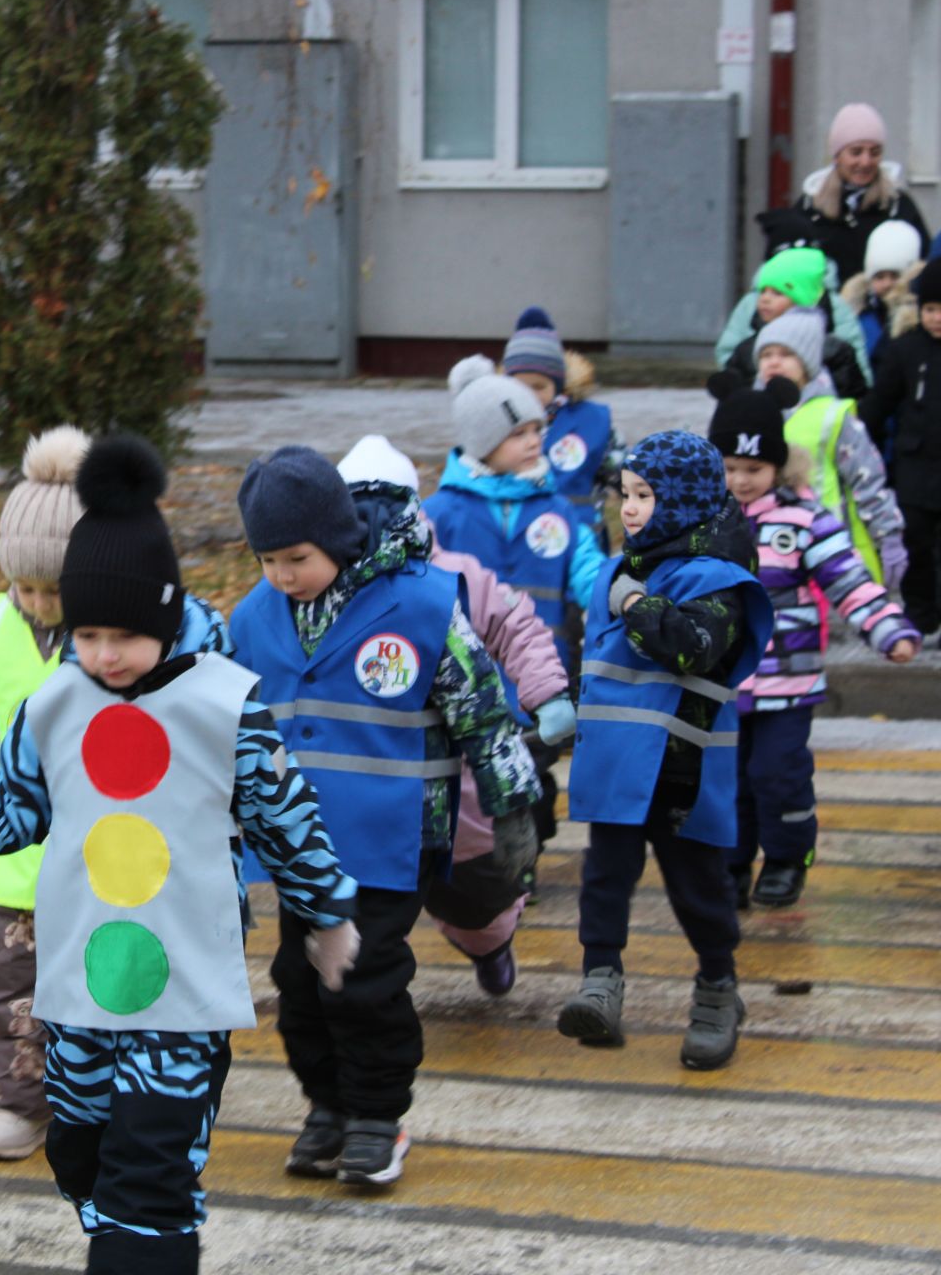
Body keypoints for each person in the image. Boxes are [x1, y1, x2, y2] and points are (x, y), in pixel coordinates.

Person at [0, 435, 361, 1275]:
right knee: (80, 1156)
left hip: (185, 991)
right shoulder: (54, 704)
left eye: (125, 634)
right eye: (88, 633)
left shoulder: (225, 706)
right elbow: (9, 811)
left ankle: (141, 1244)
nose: (106, 654)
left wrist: (327, 915)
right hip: (79, 987)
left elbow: (287, 818)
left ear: (163, 618)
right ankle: (118, 1225)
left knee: (149, 1187)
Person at [230, 445, 542, 1188]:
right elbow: (225, 721)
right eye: (267, 559)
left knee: (365, 979)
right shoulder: (254, 615)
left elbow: (484, 713)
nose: (281, 576)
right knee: (299, 984)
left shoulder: (424, 603)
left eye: (296, 558)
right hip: (298, 846)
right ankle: (328, 1108)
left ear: (337, 540)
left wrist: (512, 808)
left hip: (391, 839)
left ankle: (377, 1117)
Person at [559, 432, 774, 1072]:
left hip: (683, 770)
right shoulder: (622, 567)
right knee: (603, 877)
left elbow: (689, 647)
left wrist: (633, 602)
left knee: (699, 888)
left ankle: (717, 988)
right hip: (617, 764)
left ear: (681, 501)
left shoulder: (718, 579)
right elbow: (599, 661)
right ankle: (600, 979)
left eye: (645, 496)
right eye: (625, 493)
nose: (628, 508)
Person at [336, 436, 571, 996]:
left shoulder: (455, 575)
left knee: (476, 899)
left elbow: (515, 623)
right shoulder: (325, 584)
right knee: (362, 910)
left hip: (456, 783)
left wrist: (547, 694)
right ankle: (361, 993)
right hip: (361, 781)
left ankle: (490, 942)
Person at [708, 377, 919, 909]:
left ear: (778, 465)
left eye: (753, 470)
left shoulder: (803, 520)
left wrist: (887, 628)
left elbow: (847, 580)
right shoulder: (701, 524)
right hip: (721, 684)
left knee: (777, 774)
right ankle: (730, 864)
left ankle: (785, 858)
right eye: (729, 469)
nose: (740, 481)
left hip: (787, 679)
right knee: (725, 778)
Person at [0, 425, 88, 1161]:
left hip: (101, 857)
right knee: (0, 986)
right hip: (10, 855)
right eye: (25, 586)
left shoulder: (117, 636)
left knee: (104, 982)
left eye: (54, 588)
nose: (37, 602)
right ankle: (16, 1102)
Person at [423, 357, 603, 671]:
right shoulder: (440, 513)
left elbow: (590, 571)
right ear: (482, 442)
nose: (534, 442)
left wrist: (620, 599)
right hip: (464, 678)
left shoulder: (556, 510)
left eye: (537, 431)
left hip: (546, 671)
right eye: (518, 434)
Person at [752, 308, 907, 587]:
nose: (773, 362)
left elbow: (867, 479)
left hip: (828, 542)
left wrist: (889, 536)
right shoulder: (747, 412)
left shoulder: (833, 415)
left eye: (786, 354)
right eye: (766, 355)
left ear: (808, 361)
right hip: (766, 546)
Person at [859, 260, 941, 639]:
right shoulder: (906, 349)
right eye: (930, 309)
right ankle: (921, 614)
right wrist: (859, 435)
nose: (936, 317)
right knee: (915, 542)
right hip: (916, 466)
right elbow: (881, 403)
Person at [501, 307, 624, 544]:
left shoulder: (591, 422)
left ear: (558, 385)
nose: (530, 396)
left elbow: (621, 471)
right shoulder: (499, 425)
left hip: (582, 541)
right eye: (521, 387)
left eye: (539, 387)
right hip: (516, 539)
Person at [796, 102, 932, 286]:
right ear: (837, 156)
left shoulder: (898, 205)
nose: (866, 161)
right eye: (856, 152)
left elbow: (926, 264)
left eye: (875, 152)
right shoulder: (810, 208)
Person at [717, 247, 872, 398]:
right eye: (763, 291)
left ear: (802, 302)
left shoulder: (833, 351)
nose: (765, 298)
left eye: (778, 293)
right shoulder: (746, 350)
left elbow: (853, 398)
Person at [839, 220, 924, 361]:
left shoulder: (916, 318)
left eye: (895, 276)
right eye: (879, 277)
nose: (887, 284)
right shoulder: (858, 314)